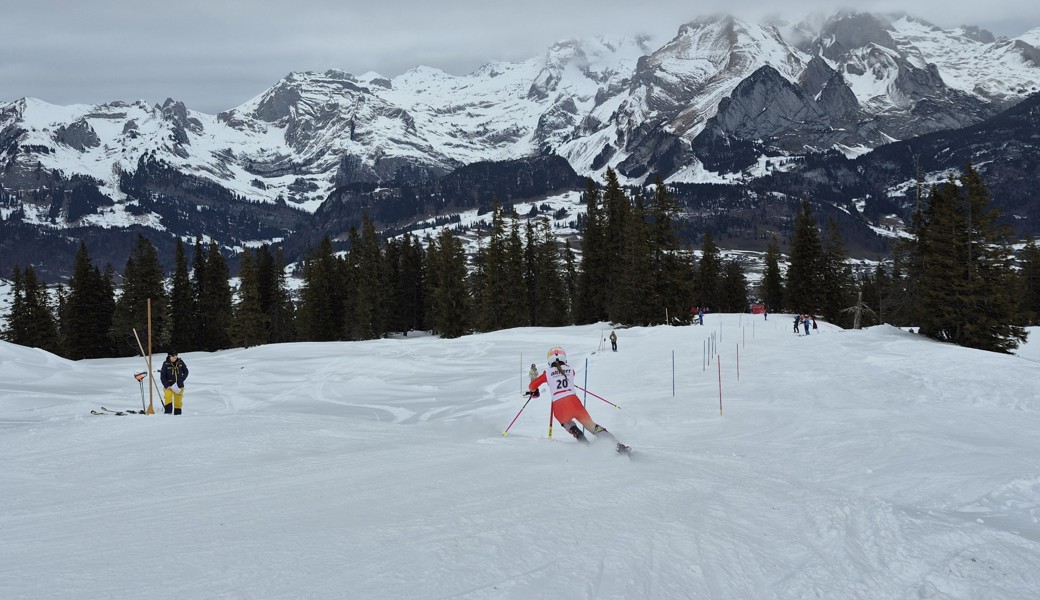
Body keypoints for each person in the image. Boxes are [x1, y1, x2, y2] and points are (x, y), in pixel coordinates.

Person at [527, 346, 630, 454]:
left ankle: (586, 447)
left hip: (559, 408)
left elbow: (532, 386)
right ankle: (616, 445)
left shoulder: (547, 373)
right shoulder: (571, 370)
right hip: (575, 403)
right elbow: (566, 374)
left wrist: (536, 389)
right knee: (592, 426)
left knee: (569, 425)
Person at [160, 350, 189, 415]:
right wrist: (167, 385)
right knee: (168, 398)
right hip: (169, 386)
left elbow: (186, 371)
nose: (175, 356)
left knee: (178, 401)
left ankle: (178, 415)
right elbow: (163, 377)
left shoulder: (180, 362)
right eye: (173, 355)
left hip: (179, 386)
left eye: (176, 355)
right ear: (169, 356)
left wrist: (182, 379)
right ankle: (168, 414)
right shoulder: (165, 364)